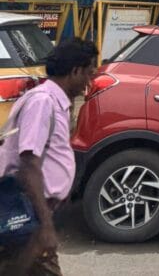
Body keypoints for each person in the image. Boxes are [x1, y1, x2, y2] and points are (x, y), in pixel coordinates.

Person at [0, 39, 98, 276]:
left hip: (33, 212)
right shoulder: (43, 102)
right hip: (27, 213)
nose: (90, 81)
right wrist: (44, 225)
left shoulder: (54, 102)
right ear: (75, 71)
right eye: (89, 73)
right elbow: (28, 163)